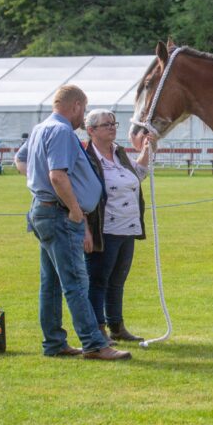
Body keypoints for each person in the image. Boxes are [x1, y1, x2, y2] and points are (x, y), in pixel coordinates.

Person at [18, 85, 131, 360]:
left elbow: (20, 161)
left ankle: (55, 342)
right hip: (59, 214)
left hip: (44, 210)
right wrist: (75, 209)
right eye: (84, 110)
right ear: (77, 105)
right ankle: (94, 343)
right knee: (76, 281)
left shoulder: (40, 128)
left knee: (52, 282)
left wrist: (39, 187)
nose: (83, 118)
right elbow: (58, 175)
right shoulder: (61, 131)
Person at [83, 109, 151, 344]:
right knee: (99, 280)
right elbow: (82, 194)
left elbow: (138, 174)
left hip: (128, 227)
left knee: (118, 280)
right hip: (104, 229)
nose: (112, 127)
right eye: (106, 125)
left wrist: (146, 150)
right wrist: (86, 229)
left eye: (114, 123)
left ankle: (117, 325)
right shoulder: (87, 157)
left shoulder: (119, 153)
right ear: (91, 130)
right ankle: (98, 328)